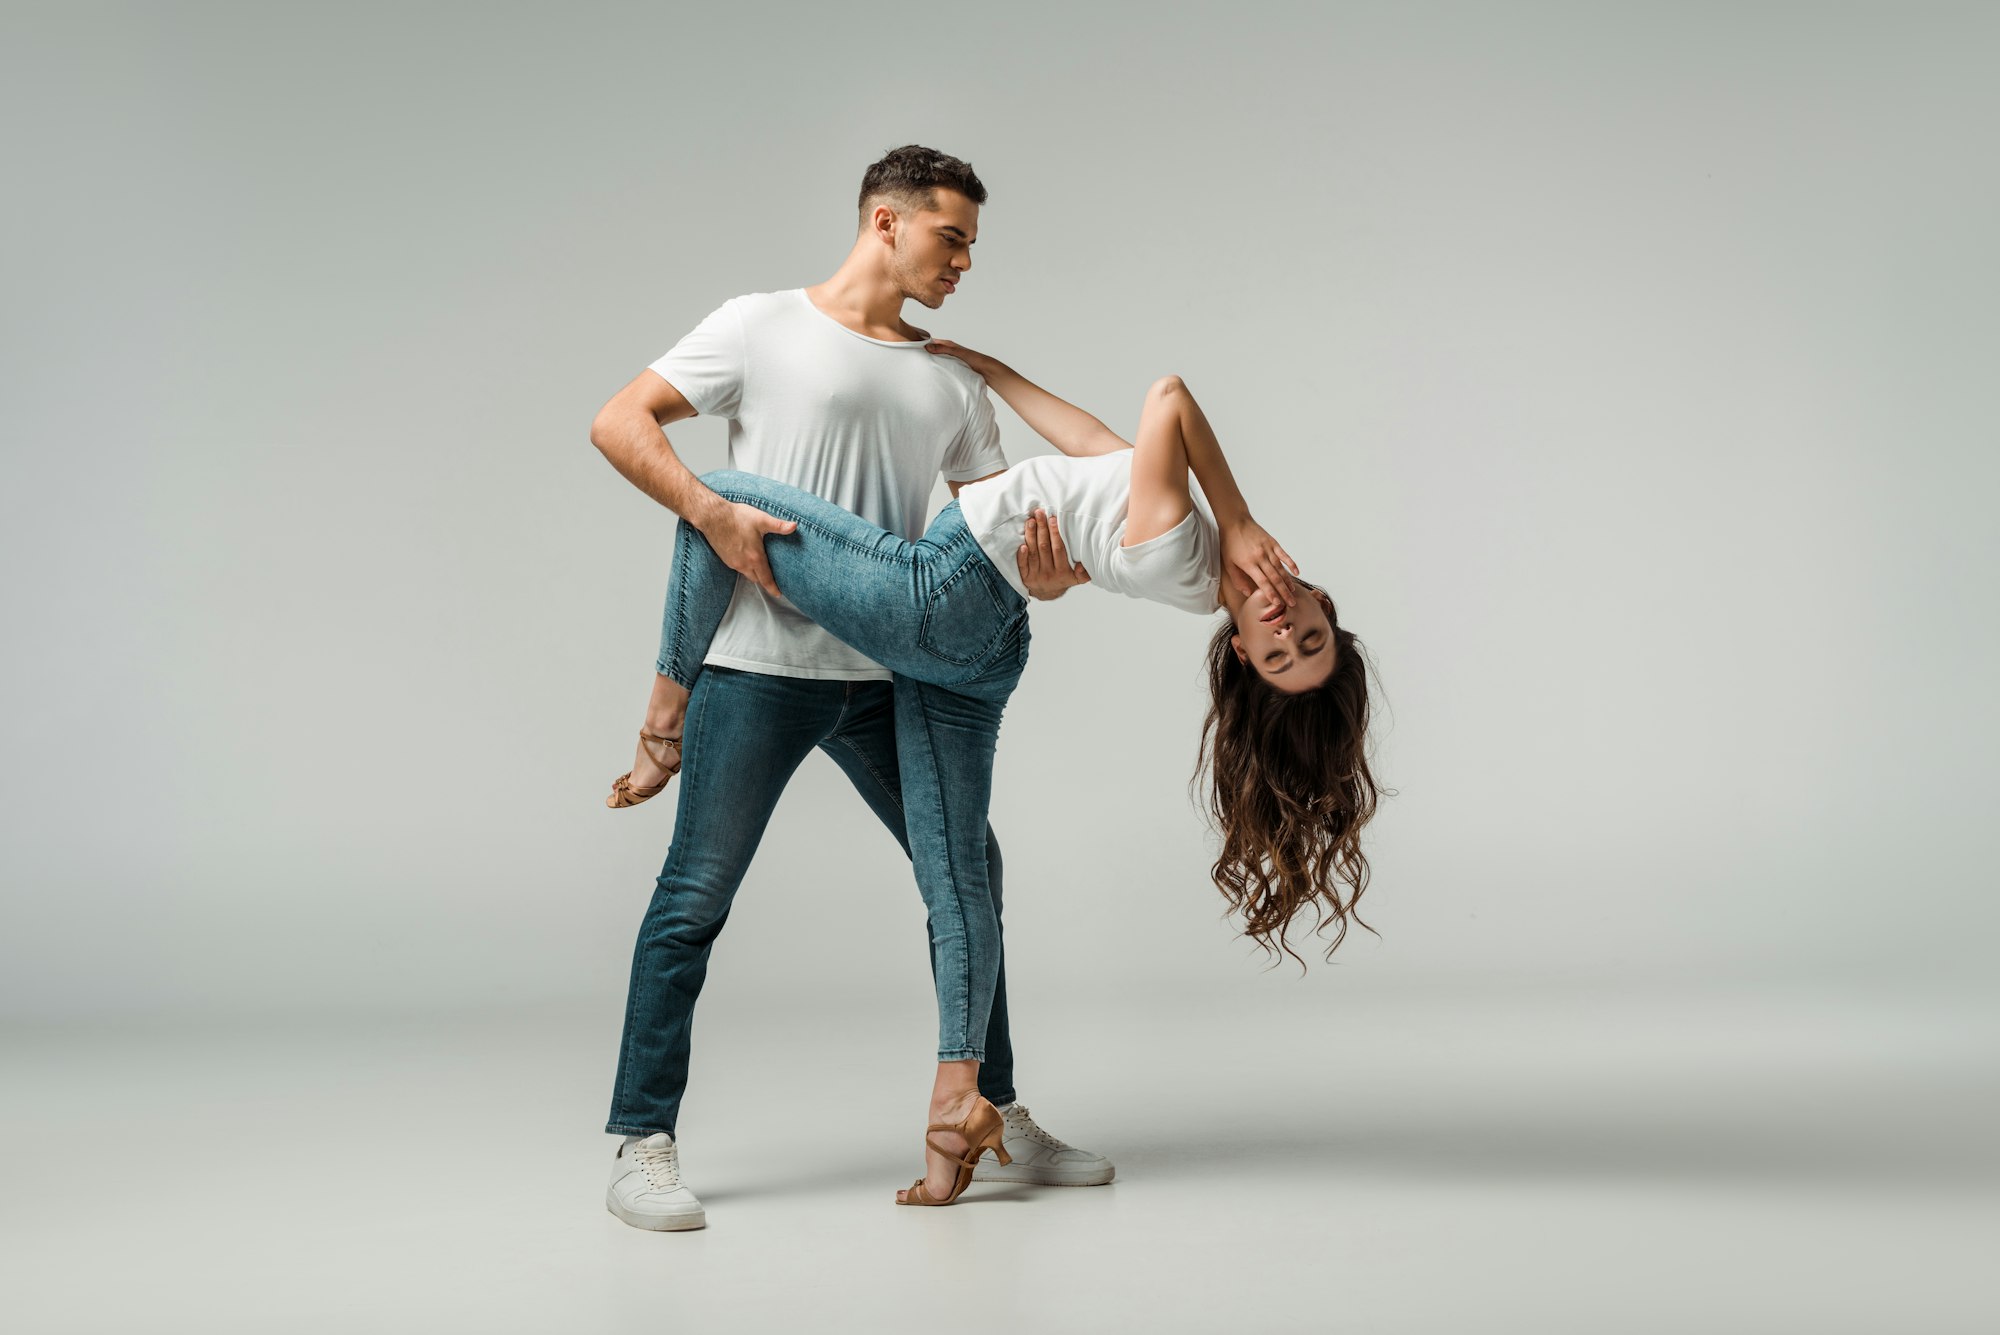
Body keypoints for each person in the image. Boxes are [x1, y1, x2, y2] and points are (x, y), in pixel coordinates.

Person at [624, 346, 1381, 1207]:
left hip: (942, 591)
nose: (1285, 629)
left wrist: (1239, 517)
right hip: (984, 646)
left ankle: (661, 720)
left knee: (715, 499)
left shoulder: (1189, 547)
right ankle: (963, 1115)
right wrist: (989, 369)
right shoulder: (1185, 534)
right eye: (1304, 640)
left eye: (1278, 653)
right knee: (963, 876)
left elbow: (1167, 396)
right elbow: (1095, 441)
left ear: (1240, 653)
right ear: (1324, 609)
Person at [589, 146, 1112, 1233]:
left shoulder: (950, 380)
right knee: (693, 898)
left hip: (893, 678)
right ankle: (643, 1140)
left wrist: (1048, 586)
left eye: (971, 243)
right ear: (885, 221)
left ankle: (992, 1110)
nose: (964, 260)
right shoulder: (758, 325)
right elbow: (619, 423)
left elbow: (983, 550)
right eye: (950, 236)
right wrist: (708, 510)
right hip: (756, 666)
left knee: (971, 873)